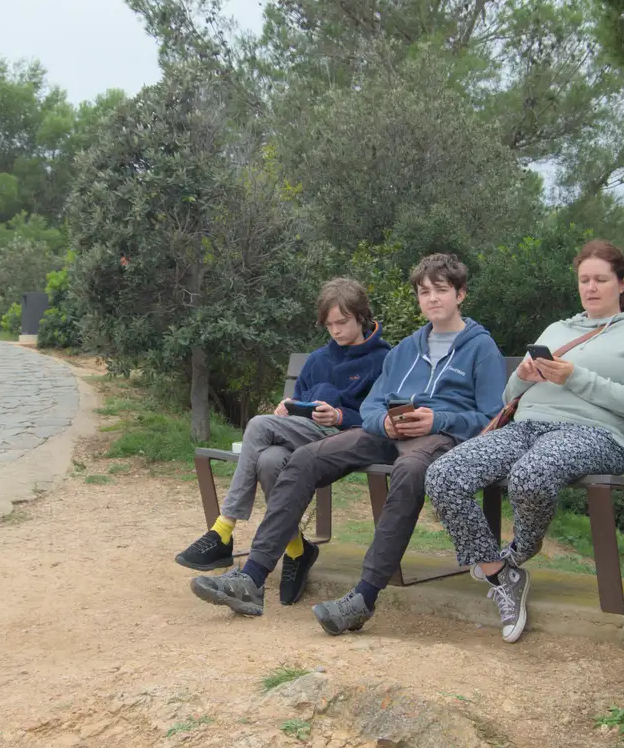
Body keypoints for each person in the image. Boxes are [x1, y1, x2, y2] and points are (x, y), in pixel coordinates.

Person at [188, 254, 507, 634]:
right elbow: (373, 404)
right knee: (305, 458)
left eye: (441, 290)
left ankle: (364, 597)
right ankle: (252, 578)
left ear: (461, 294)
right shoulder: (406, 349)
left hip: (438, 438)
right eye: (425, 292)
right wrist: (383, 422)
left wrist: (439, 419)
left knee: (408, 471)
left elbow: (492, 418)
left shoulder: (480, 348)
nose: (433, 299)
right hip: (386, 432)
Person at [424, 239, 624, 643]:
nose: (590, 287)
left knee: (531, 474)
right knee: (444, 474)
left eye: (600, 280)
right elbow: (508, 398)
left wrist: (575, 376)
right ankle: (501, 575)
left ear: (622, 284)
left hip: (596, 435)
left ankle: (517, 552)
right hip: (527, 426)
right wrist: (526, 375)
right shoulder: (558, 329)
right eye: (584, 280)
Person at [174, 277, 390, 604]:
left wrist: (340, 416)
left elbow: (379, 417)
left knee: (260, 426)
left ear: (361, 316)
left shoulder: (383, 359)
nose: (336, 331)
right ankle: (297, 549)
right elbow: (297, 399)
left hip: (345, 439)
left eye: (342, 322)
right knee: (269, 460)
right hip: (304, 435)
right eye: (329, 324)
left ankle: (223, 530)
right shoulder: (319, 360)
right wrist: (285, 411)